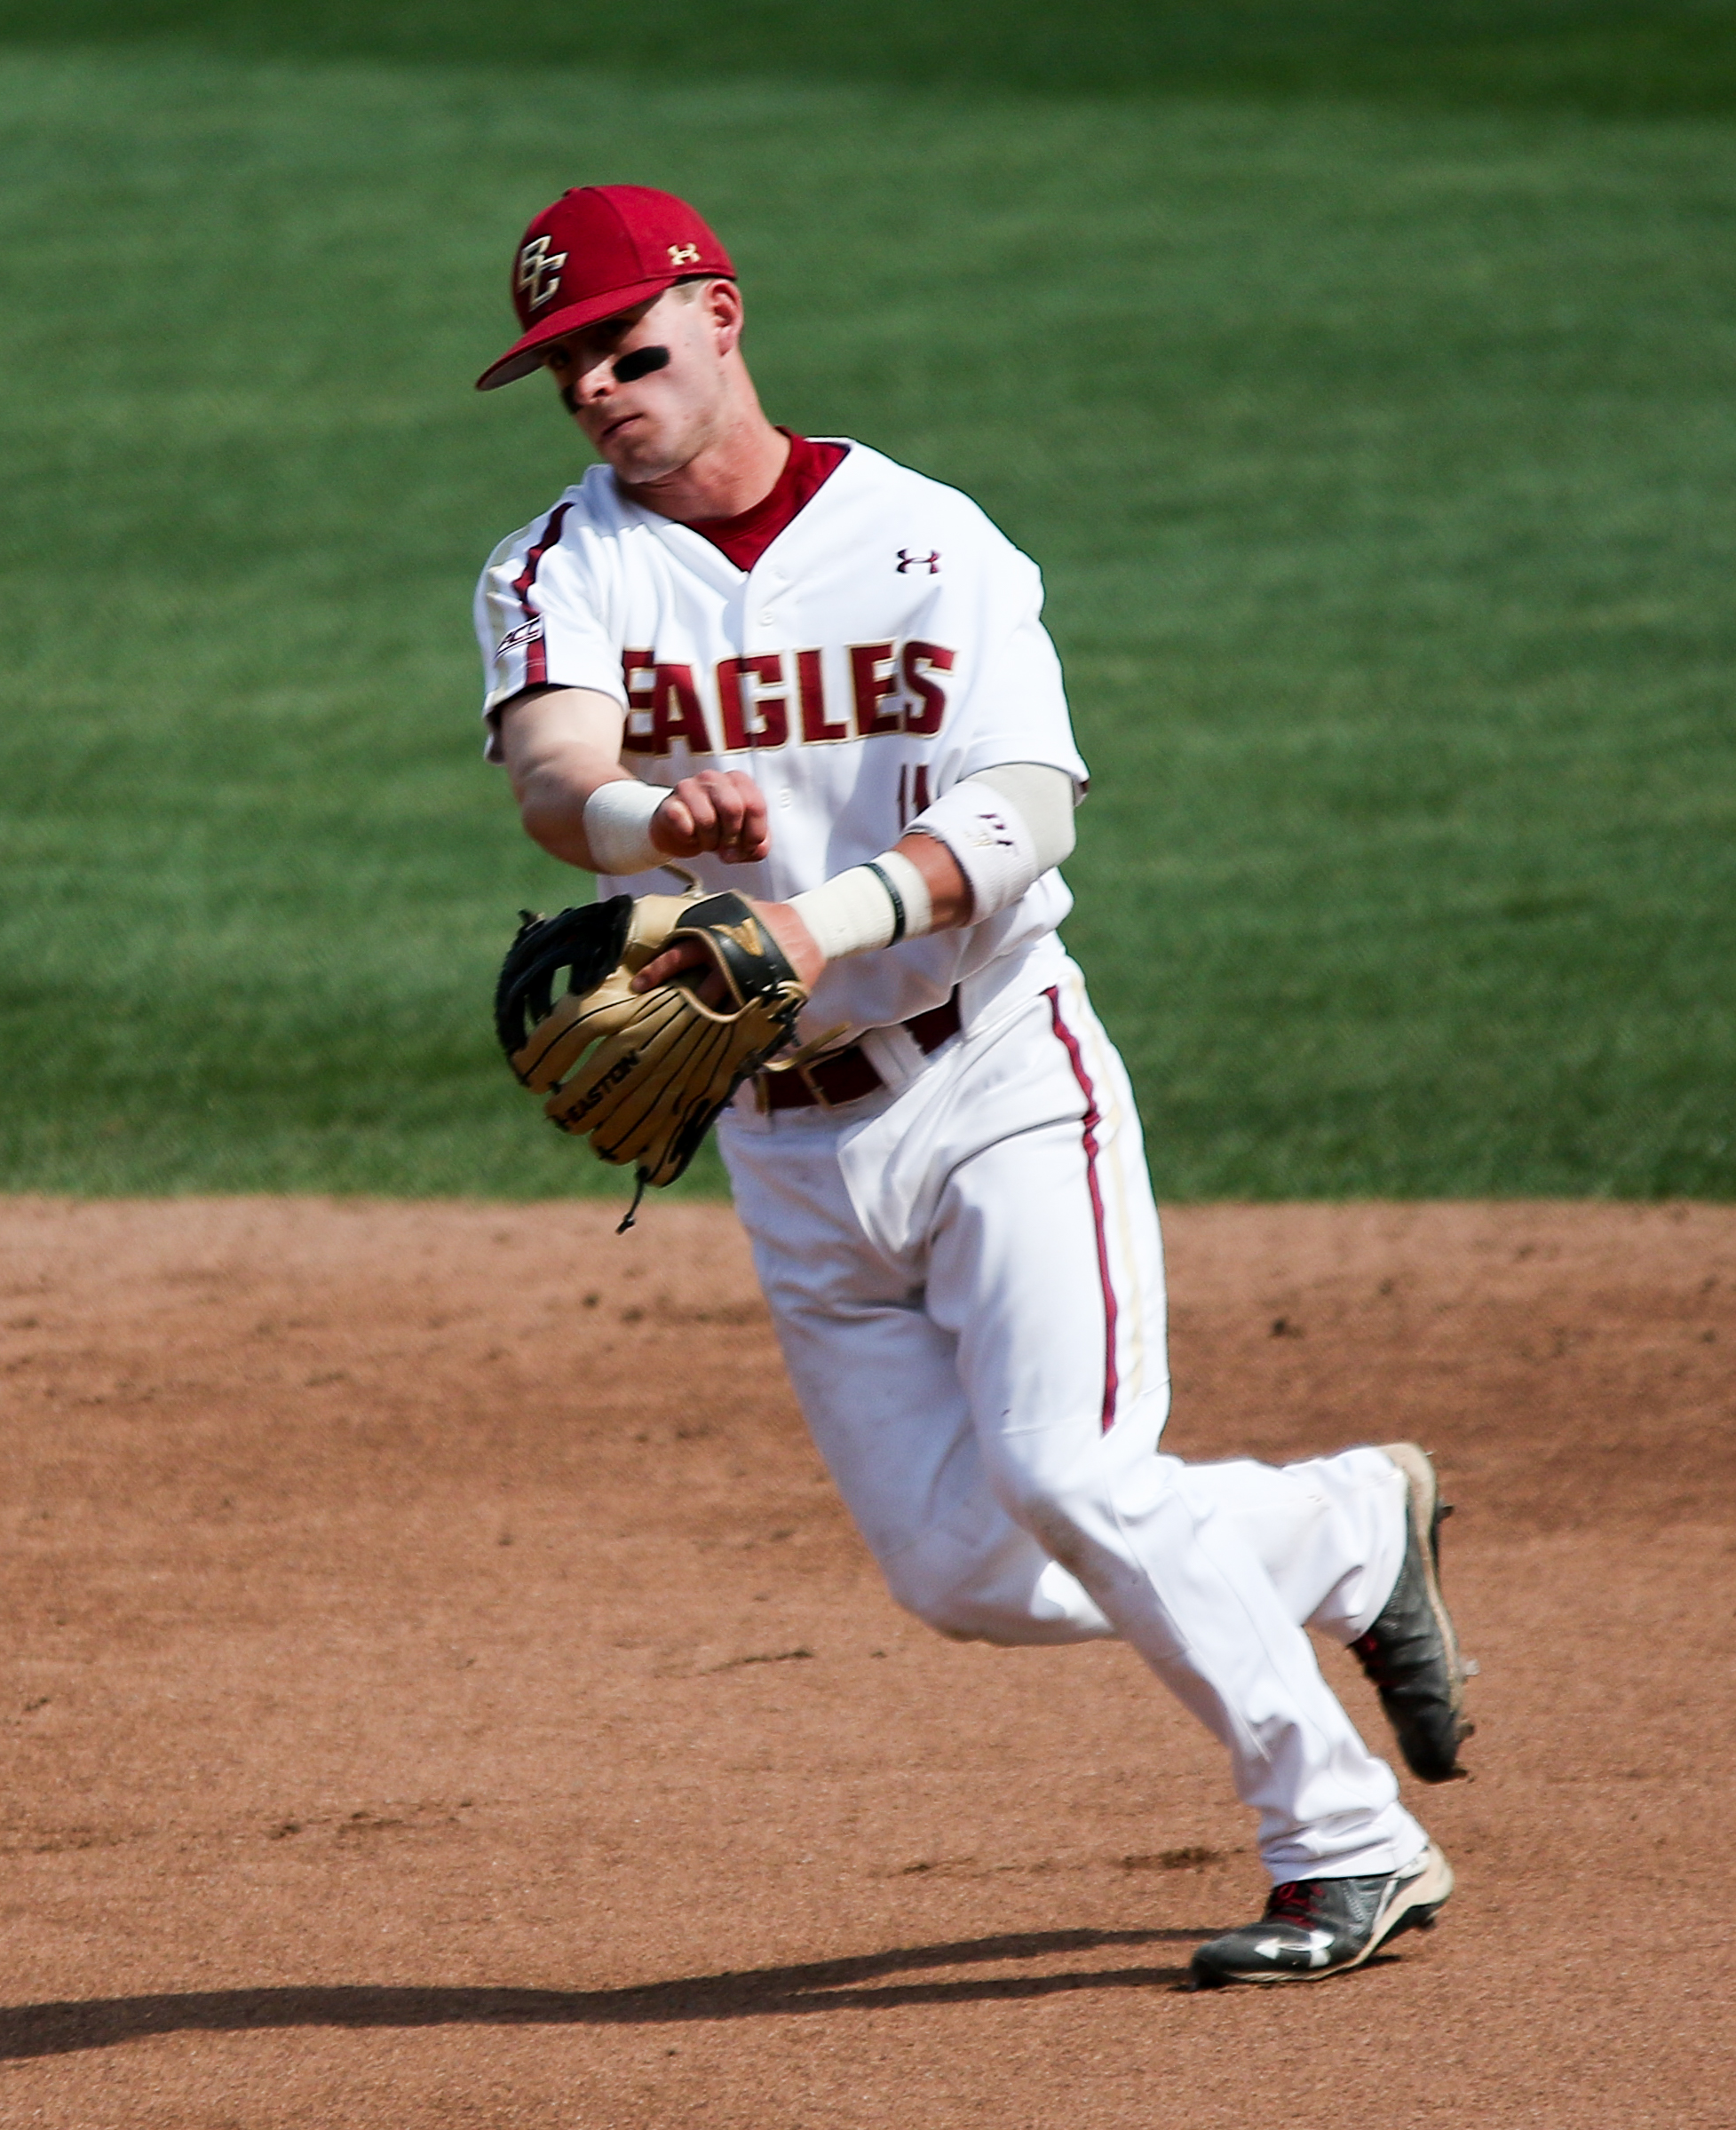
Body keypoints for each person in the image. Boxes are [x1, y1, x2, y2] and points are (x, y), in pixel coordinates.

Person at [469, 185, 1476, 1987]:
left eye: (626, 346)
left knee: (1069, 1471)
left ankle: (1347, 1842)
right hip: (781, 1139)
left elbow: (1024, 811)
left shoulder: (926, 541)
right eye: (568, 371)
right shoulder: (560, 565)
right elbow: (555, 773)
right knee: (962, 1569)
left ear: (719, 313)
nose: (599, 389)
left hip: (997, 1073)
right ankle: (1342, 1528)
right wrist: (643, 810)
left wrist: (820, 918)